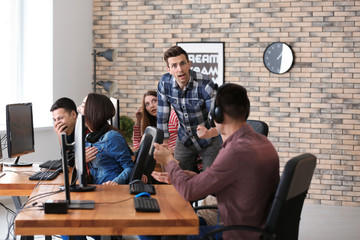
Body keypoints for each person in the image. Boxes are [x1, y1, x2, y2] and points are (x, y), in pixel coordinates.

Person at [152, 83, 280, 239]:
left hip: (236, 234)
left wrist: (168, 161)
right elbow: (236, 184)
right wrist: (192, 177)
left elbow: (189, 192)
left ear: (217, 115)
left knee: (163, 232)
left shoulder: (234, 152)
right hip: (255, 230)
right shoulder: (262, 142)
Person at [157, 46, 221, 172]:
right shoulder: (165, 84)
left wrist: (209, 133)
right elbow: (162, 117)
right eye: (174, 66)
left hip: (209, 140)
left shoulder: (205, 84)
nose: (180, 69)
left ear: (189, 64)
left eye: (182, 63)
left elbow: (221, 122)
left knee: (210, 183)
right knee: (177, 177)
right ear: (168, 69)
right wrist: (164, 144)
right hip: (185, 139)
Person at [84, 93, 134, 185]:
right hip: (96, 188)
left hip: (110, 191)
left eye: (83, 106)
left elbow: (130, 167)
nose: (80, 109)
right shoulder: (89, 137)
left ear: (91, 111)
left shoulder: (112, 137)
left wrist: (115, 182)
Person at [50, 97, 97, 166]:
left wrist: (61, 138)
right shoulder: (68, 130)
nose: (57, 124)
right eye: (55, 120)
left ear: (73, 114)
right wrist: (61, 138)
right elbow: (68, 160)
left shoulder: (87, 131)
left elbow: (70, 162)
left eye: (60, 118)